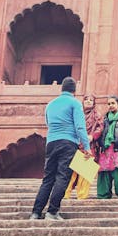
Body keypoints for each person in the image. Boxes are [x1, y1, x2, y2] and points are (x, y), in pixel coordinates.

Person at [29, 77, 90, 221]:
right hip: (68, 142)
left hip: (51, 142)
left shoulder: (50, 104)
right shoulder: (75, 103)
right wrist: (86, 147)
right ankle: (52, 212)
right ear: (74, 90)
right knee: (62, 177)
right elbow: (80, 127)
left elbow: (48, 123)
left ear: (61, 89)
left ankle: (36, 213)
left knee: (48, 179)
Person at [82, 93, 103, 159]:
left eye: (91, 100)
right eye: (86, 99)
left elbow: (100, 127)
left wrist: (92, 136)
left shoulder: (97, 115)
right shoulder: (78, 113)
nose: (88, 101)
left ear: (94, 103)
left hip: (91, 144)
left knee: (87, 166)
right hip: (77, 143)